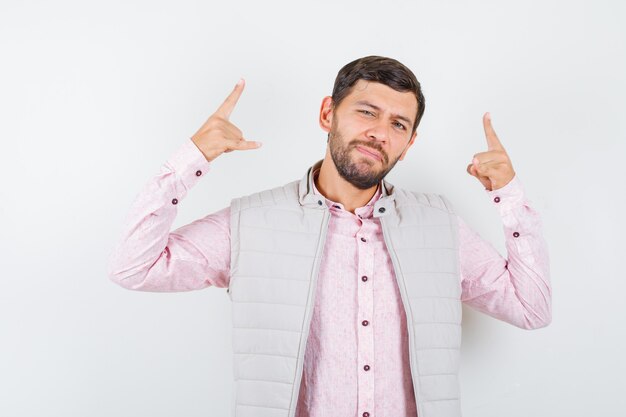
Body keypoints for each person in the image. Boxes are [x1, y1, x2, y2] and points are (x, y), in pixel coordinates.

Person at [107, 55, 551, 417]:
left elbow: (532, 308)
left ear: (409, 143)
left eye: (399, 124)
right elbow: (133, 267)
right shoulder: (252, 222)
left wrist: (510, 197)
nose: (379, 132)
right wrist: (192, 158)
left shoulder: (439, 225)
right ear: (327, 113)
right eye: (366, 112)